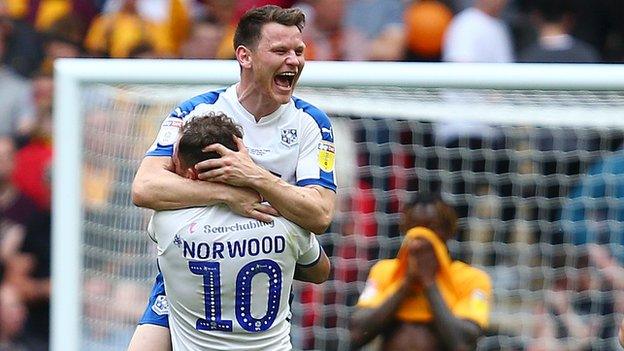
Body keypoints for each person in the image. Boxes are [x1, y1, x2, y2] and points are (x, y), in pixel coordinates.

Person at [129, 4, 337, 350]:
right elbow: (145, 187)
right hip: (190, 273)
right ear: (245, 56)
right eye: (280, 50)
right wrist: (226, 195)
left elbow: (321, 214)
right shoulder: (198, 110)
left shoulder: (311, 123)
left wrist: (253, 176)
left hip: (259, 271)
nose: (294, 60)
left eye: (299, 51)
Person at [148, 112, 329, 350]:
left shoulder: (166, 223)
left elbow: (150, 191)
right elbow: (320, 272)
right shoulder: (285, 221)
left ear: (189, 174)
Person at [349, 193, 491, 350]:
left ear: (449, 231)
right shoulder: (385, 271)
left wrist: (429, 284)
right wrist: (405, 285)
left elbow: (463, 344)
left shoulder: (471, 278)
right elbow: (357, 333)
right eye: (414, 228)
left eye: (431, 228)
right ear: (404, 229)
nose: (421, 237)